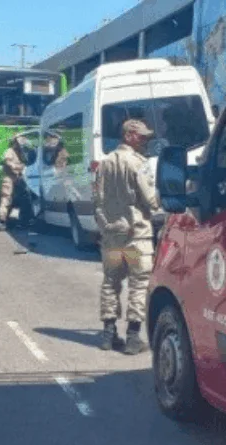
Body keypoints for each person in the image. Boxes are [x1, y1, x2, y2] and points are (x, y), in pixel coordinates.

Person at [92, 119, 161, 355]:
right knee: (138, 284)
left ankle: (108, 334)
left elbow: (98, 199)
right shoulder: (138, 164)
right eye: (142, 137)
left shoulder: (105, 163)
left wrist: (105, 225)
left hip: (113, 234)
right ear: (130, 135)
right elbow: (150, 199)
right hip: (135, 235)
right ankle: (133, 337)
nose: (146, 142)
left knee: (111, 282)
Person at [0, 135, 28, 231]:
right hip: (9, 178)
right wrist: (17, 167)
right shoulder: (10, 151)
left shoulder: (21, 152)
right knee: (6, 198)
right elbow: (8, 162)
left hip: (18, 178)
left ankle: (20, 219)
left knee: (20, 199)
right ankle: (1, 220)